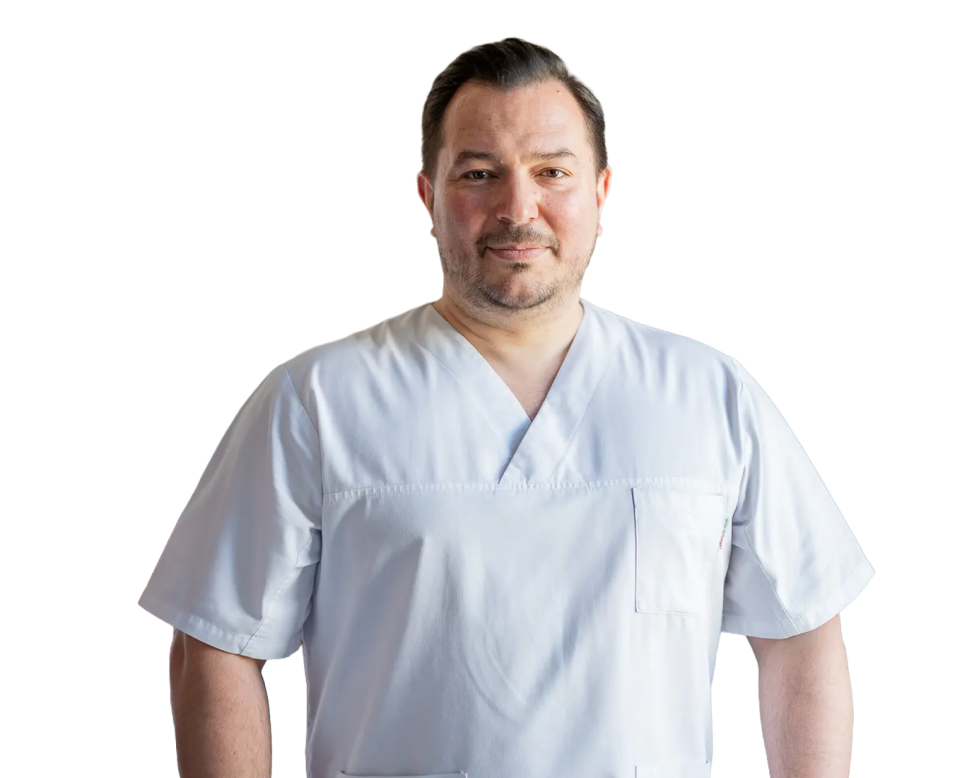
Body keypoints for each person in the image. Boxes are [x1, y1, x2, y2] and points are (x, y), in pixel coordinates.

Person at [139, 36, 874, 778]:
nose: (518, 209)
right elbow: (214, 643)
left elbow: (803, 633)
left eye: (552, 171)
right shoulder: (316, 400)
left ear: (601, 192)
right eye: (479, 174)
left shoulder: (711, 395)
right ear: (427, 197)